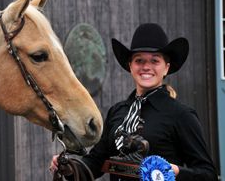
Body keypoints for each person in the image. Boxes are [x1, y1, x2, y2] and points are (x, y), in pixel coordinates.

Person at [50, 23, 218, 181]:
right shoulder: (118, 112)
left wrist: (175, 173)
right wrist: (70, 168)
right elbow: (95, 162)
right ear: (130, 65)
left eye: (154, 60)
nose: (146, 66)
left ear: (166, 67)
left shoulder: (181, 115)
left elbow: (207, 174)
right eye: (139, 60)